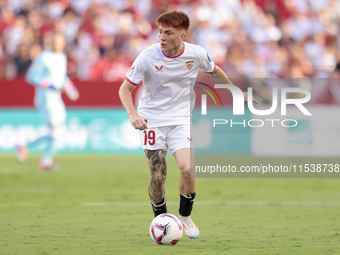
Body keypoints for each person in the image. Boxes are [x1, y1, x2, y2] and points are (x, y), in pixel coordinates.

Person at [119, 10, 256, 239]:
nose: (162, 37)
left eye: (168, 33)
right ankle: (160, 220)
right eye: (160, 32)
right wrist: (132, 113)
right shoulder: (147, 56)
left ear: (182, 35)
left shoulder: (196, 54)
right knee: (157, 177)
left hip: (181, 119)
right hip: (151, 121)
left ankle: (184, 216)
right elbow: (125, 88)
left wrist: (235, 92)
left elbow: (215, 71)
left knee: (188, 168)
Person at [16, 32, 79, 171]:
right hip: (45, 99)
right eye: (55, 42)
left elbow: (61, 77)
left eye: (60, 42)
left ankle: (43, 159)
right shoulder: (44, 57)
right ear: (51, 43)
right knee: (56, 131)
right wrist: (47, 84)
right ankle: (28, 148)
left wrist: (70, 87)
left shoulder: (62, 57)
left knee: (60, 131)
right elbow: (31, 76)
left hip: (56, 98)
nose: (57, 45)